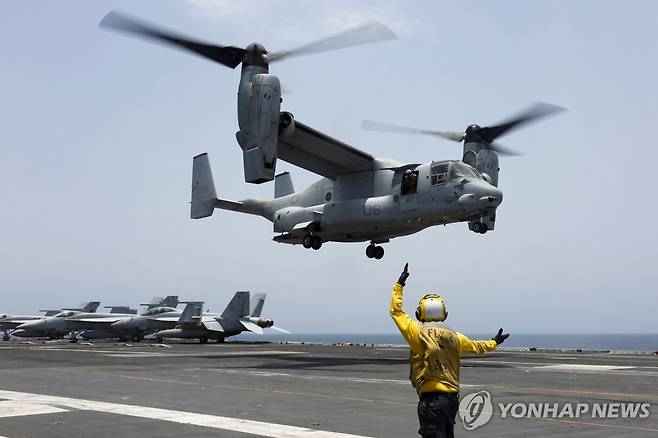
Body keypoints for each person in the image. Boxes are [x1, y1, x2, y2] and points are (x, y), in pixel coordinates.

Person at [390, 263, 509, 438]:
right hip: (452, 401)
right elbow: (477, 347)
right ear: (444, 313)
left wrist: (399, 285)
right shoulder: (455, 337)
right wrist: (494, 342)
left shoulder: (418, 333)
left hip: (432, 401)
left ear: (419, 313)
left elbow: (396, 312)